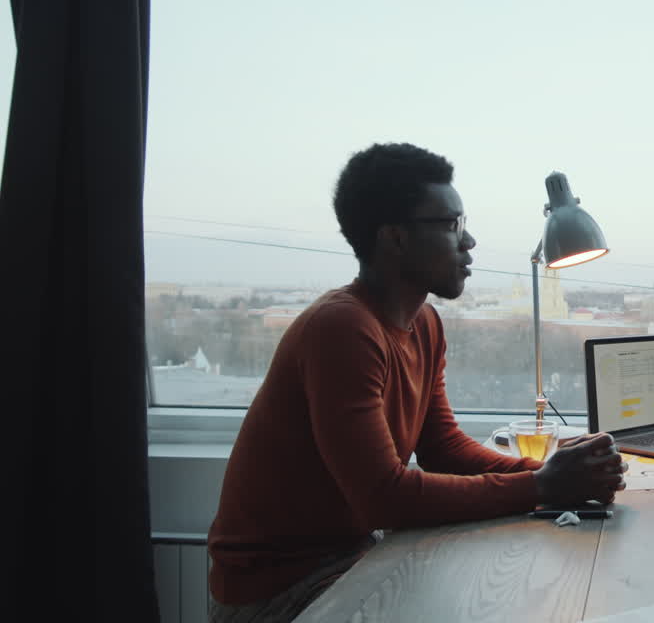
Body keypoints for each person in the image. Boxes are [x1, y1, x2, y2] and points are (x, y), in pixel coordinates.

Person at [208, 143, 626, 622]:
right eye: (452, 226)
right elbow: (384, 498)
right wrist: (543, 485)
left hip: (353, 554)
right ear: (395, 238)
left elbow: (442, 447)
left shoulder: (423, 322)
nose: (468, 243)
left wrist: (556, 471)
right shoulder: (342, 328)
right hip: (278, 587)